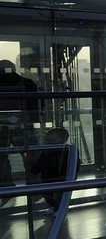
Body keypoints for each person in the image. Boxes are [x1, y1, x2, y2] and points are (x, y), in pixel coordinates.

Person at [0, 59, 38, 187]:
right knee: (30, 154)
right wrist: (33, 122)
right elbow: (34, 107)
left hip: (1, 127)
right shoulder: (27, 83)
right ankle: (34, 183)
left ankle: (6, 185)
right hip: (23, 124)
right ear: (14, 69)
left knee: (1, 156)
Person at [27, 126, 71, 213]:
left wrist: (70, 176)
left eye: (53, 140)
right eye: (48, 140)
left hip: (61, 178)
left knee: (59, 195)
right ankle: (53, 206)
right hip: (47, 178)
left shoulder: (66, 152)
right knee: (47, 194)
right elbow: (40, 163)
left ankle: (59, 208)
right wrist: (33, 171)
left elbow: (72, 164)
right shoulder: (46, 151)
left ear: (63, 140)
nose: (50, 143)